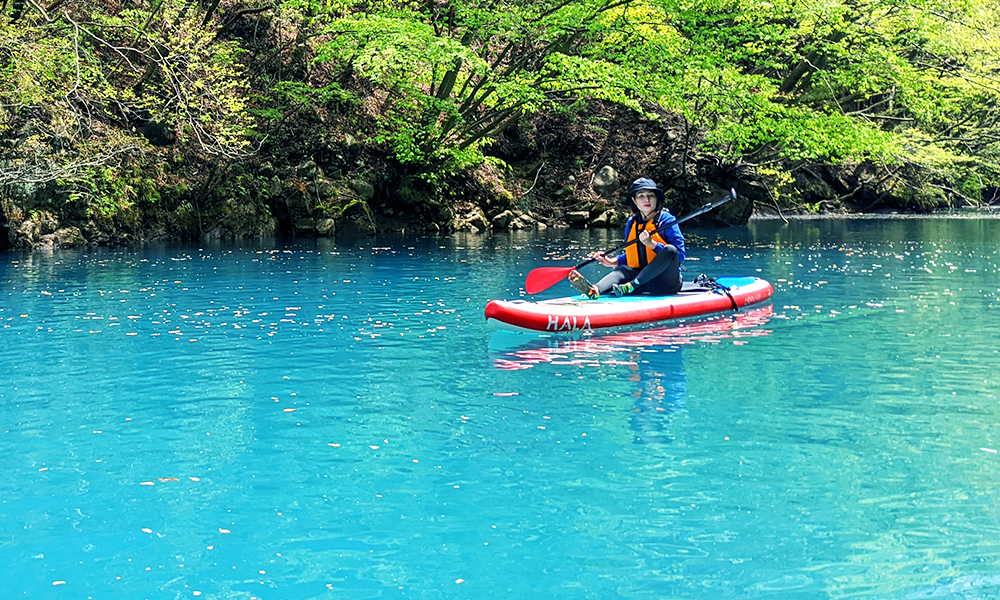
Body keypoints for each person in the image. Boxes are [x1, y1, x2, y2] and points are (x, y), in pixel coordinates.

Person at [568, 177, 685, 299]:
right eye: (641, 196)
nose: (647, 199)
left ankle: (631, 286)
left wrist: (652, 244)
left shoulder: (667, 221)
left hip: (665, 283)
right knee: (622, 269)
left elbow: (679, 256)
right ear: (634, 200)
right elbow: (633, 253)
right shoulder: (632, 223)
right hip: (643, 281)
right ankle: (595, 289)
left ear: (656, 198)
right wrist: (613, 261)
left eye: (651, 195)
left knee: (670, 249)